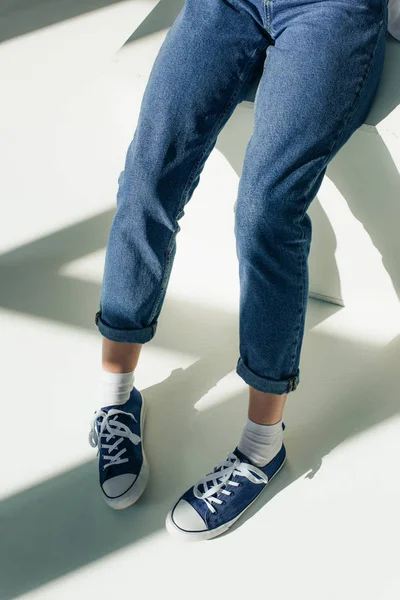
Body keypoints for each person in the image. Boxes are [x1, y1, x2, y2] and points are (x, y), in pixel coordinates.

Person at [88, 0, 399, 541]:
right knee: (147, 175)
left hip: (332, 11)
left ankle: (262, 447)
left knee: (266, 209)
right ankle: (116, 402)